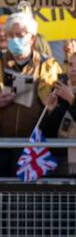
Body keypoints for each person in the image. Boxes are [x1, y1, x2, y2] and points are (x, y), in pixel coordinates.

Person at [0, 8, 63, 177]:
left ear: (32, 38)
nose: (13, 39)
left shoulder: (48, 65)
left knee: (29, 199)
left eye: (19, 35)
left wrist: (52, 106)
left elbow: (62, 102)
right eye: (10, 35)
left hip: (34, 148)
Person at [39, 39, 76, 175]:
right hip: (59, 161)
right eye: (71, 64)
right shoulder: (59, 90)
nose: (73, 69)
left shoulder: (67, 94)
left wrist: (72, 100)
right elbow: (46, 132)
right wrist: (50, 111)